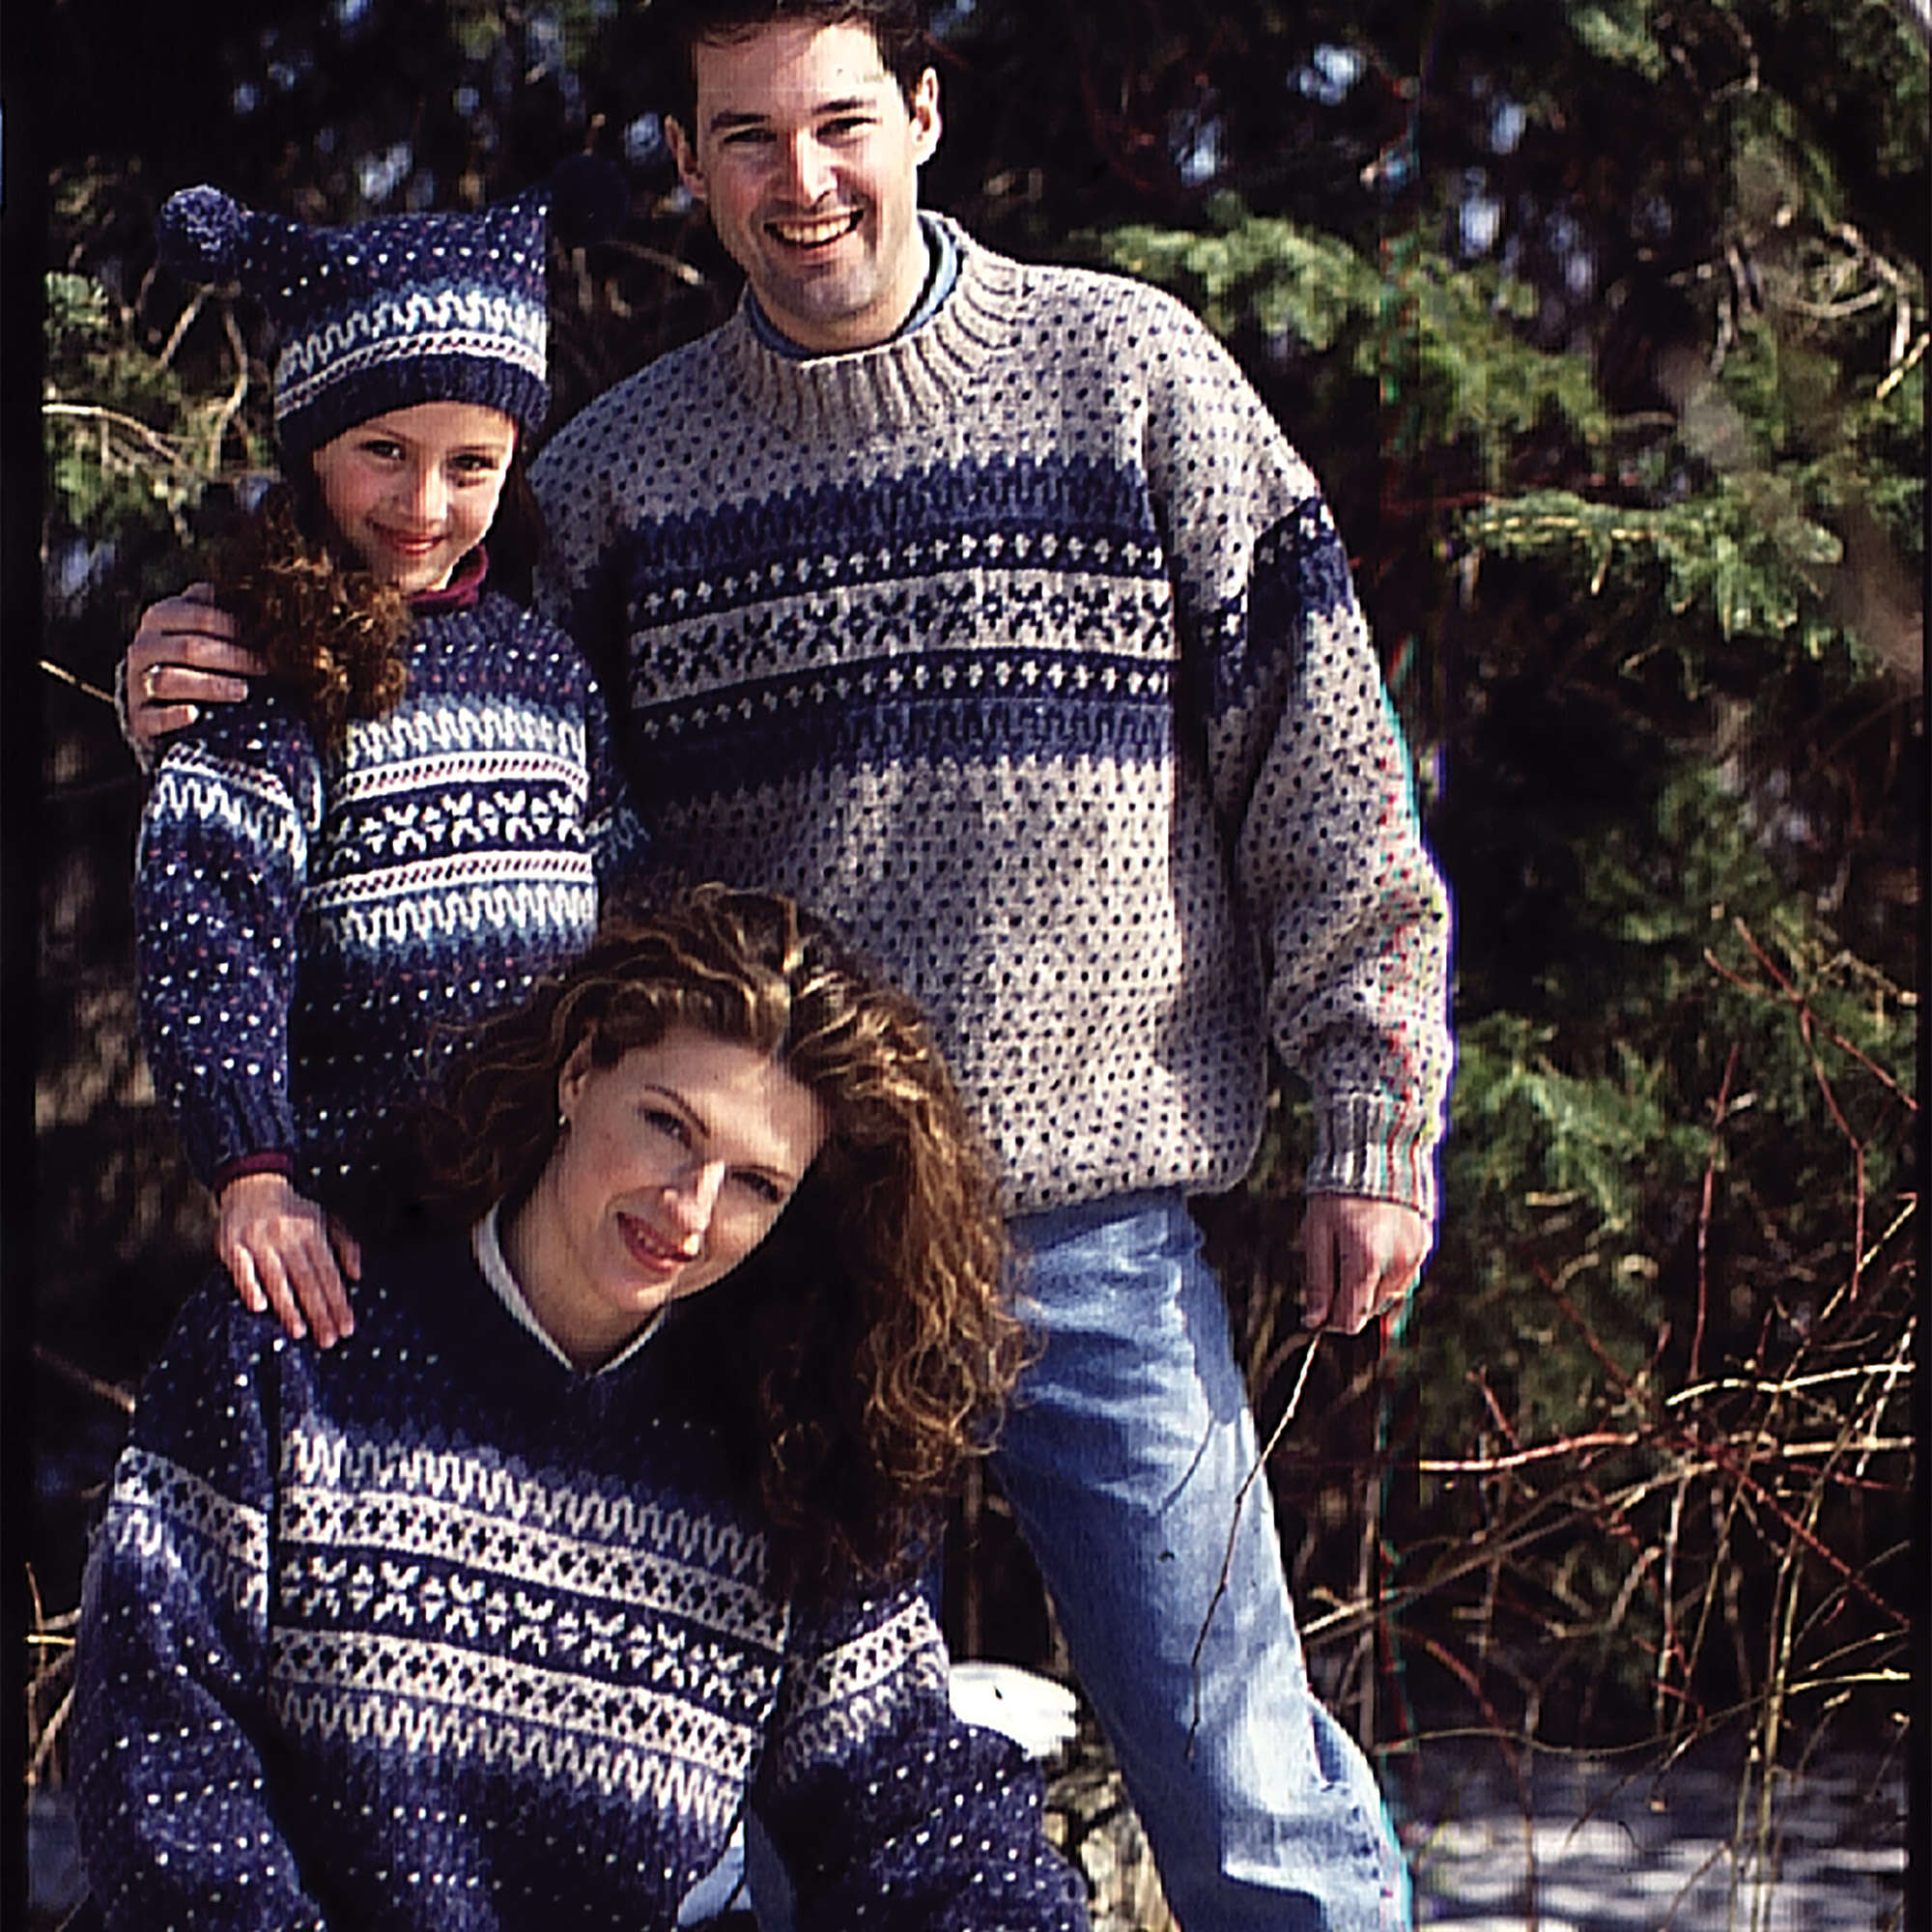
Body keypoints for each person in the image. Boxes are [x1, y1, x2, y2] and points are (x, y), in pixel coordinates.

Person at [120, 5, 1454, 1923]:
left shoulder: (1130, 372)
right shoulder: (613, 472)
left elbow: (1319, 760)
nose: (800, 178)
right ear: (685, 160)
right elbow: (428, 681)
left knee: (1241, 1774)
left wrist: (1371, 1113)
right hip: (737, 1237)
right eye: (744, 135)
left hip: (1082, 1236)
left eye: (839, 121)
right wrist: (214, 667)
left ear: (924, 111)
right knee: (727, 1800)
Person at [71, 887, 1090, 1932]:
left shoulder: (782, 1452)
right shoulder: (292, 1351)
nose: (689, 1210)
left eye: (755, 1184)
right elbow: (162, 1770)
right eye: (667, 1126)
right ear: (580, 1069)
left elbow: (915, 1812)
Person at [131, 177, 645, 1354]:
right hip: (343, 1242)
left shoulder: (545, 669)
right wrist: (251, 1169)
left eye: (471, 464)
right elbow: (209, 935)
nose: (423, 502)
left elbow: (630, 903)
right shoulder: (257, 669)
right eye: (383, 452)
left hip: (542, 1232)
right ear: (313, 448)